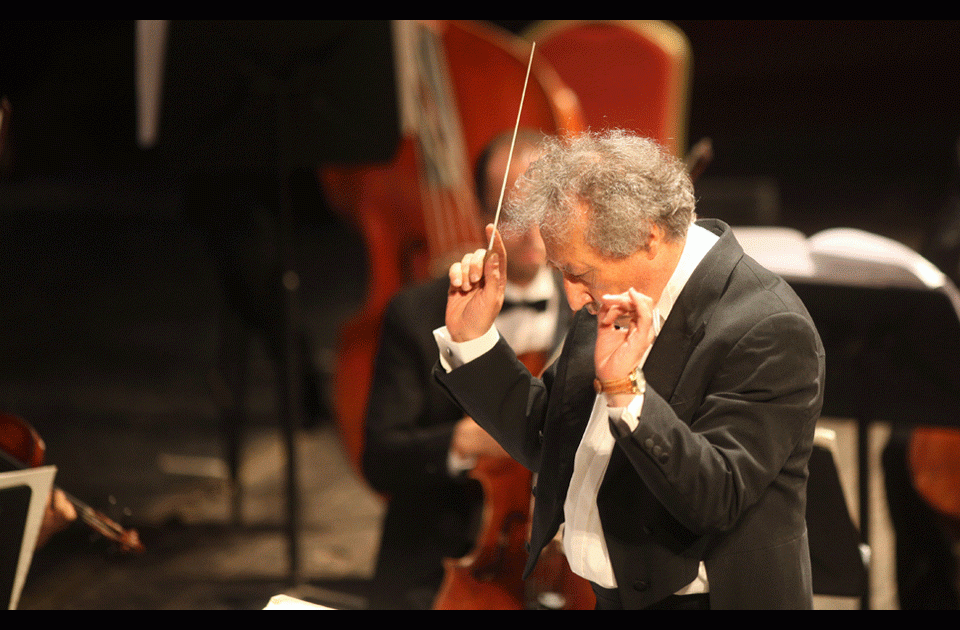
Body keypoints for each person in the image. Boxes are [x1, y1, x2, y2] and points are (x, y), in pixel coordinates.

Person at [433, 129, 826, 610]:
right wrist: (474, 340)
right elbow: (549, 437)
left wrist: (625, 392)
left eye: (581, 274)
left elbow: (716, 495)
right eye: (562, 273)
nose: (573, 297)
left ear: (649, 237)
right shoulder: (608, 293)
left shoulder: (767, 327)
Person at [362, 130, 571, 610]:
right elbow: (380, 460)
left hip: (566, 565)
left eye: (546, 209)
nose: (535, 230)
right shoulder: (417, 314)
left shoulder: (591, 308)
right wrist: (460, 442)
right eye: (514, 212)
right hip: (443, 561)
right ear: (483, 215)